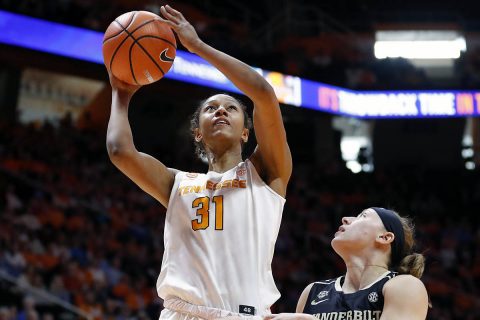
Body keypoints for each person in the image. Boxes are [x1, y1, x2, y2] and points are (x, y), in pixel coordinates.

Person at [106, 4, 292, 320]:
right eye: (210, 109)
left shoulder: (266, 173)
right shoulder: (177, 183)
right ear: (197, 133)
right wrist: (120, 94)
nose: (220, 111)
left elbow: (263, 93)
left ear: (246, 133)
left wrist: (198, 47)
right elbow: (119, 151)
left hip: (242, 314)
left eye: (231, 108)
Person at [266, 207, 429, 320]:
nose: (345, 219)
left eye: (363, 216)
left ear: (384, 237)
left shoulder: (405, 286)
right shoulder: (313, 291)